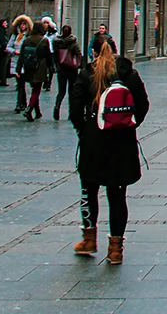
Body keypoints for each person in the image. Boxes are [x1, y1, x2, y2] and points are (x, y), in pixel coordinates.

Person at [68, 39, 149, 265]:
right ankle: (115, 249)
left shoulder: (87, 74)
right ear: (116, 51)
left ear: (93, 52)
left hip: (94, 140)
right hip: (122, 140)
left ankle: (89, 239)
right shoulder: (129, 74)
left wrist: (84, 129)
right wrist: (130, 124)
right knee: (117, 195)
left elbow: (75, 109)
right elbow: (143, 105)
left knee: (89, 190)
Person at [17, 21, 52, 121]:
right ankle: (29, 108)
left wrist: (19, 68)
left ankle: (37, 112)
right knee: (36, 90)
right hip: (40, 67)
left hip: (28, 67)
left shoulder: (27, 40)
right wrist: (50, 68)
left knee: (34, 89)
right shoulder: (44, 40)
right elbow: (48, 56)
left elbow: (22, 55)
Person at [52, 25, 83, 121]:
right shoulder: (73, 42)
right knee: (71, 91)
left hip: (61, 69)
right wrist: (80, 64)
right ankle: (71, 112)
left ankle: (57, 107)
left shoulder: (57, 42)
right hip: (72, 69)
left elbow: (55, 55)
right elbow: (78, 54)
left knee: (61, 92)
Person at [8, 16, 32, 112]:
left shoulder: (28, 36)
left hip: (24, 61)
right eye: (21, 24)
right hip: (15, 61)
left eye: (24, 24)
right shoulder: (15, 35)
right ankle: (22, 102)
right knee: (19, 83)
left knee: (21, 83)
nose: (22, 26)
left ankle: (20, 103)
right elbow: (8, 47)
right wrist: (14, 51)